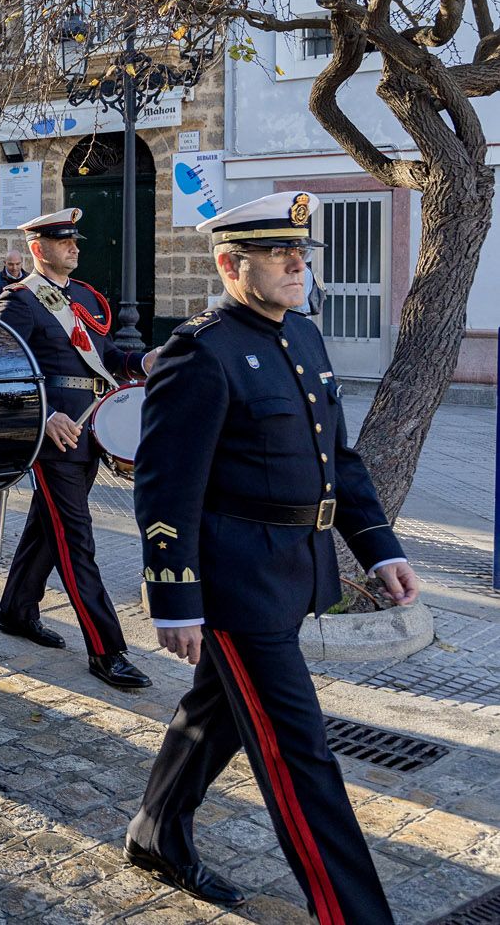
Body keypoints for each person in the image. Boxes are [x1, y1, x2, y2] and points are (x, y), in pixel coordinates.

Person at [125, 192, 419, 921]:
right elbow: (167, 485)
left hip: (296, 566)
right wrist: (176, 597)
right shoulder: (202, 350)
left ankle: (156, 831)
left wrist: (379, 550)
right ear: (230, 265)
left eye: (301, 253)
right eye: (278, 254)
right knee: (301, 754)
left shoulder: (305, 336)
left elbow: (338, 462)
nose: (298, 263)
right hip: (236, 582)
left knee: (218, 709)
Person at [0, 207, 156, 690]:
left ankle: (17, 611)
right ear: (39, 249)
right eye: (64, 242)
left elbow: (104, 360)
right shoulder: (17, 300)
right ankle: (107, 650)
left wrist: (142, 360)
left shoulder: (84, 296)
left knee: (50, 526)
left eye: (75, 241)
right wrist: (42, 418)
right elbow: (2, 370)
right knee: (76, 540)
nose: (76, 247)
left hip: (88, 432)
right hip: (54, 436)